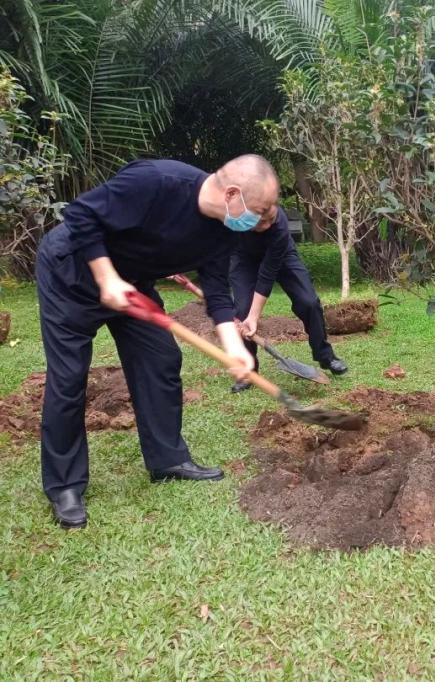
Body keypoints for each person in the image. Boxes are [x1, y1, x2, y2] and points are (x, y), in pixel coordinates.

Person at [36, 154, 279, 528]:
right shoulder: (158, 181)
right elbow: (82, 214)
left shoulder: (227, 228)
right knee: (69, 378)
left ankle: (167, 459)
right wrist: (106, 278)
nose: (262, 220)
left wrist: (233, 348)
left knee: (161, 359)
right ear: (233, 193)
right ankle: (64, 486)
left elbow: (216, 290)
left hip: (133, 286)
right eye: (260, 209)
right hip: (72, 273)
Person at [228, 208, 347, 393]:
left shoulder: (279, 226)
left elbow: (267, 275)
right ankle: (249, 370)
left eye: (269, 221)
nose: (266, 225)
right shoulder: (231, 216)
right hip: (243, 259)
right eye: (260, 223)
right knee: (242, 310)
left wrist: (255, 315)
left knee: (309, 302)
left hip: (282, 256)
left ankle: (325, 356)